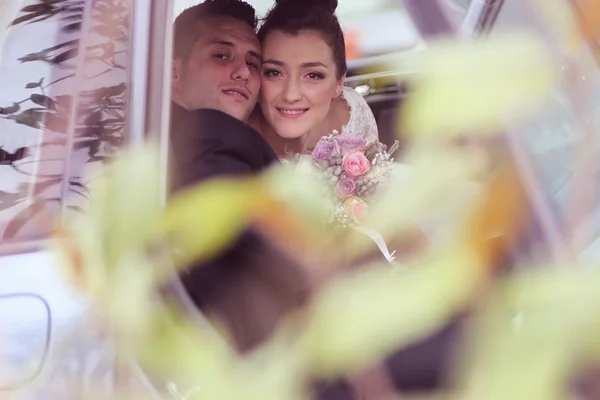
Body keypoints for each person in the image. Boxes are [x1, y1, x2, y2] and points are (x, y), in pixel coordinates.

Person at [168, 0, 309, 353]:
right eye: (221, 55)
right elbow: (267, 249)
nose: (244, 72)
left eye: (253, 63)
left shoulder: (185, 135)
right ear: (174, 73)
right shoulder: (209, 134)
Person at [249, 0, 379, 158]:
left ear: (339, 82)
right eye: (274, 73)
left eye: (312, 75)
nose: (291, 95)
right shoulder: (236, 135)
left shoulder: (355, 115)